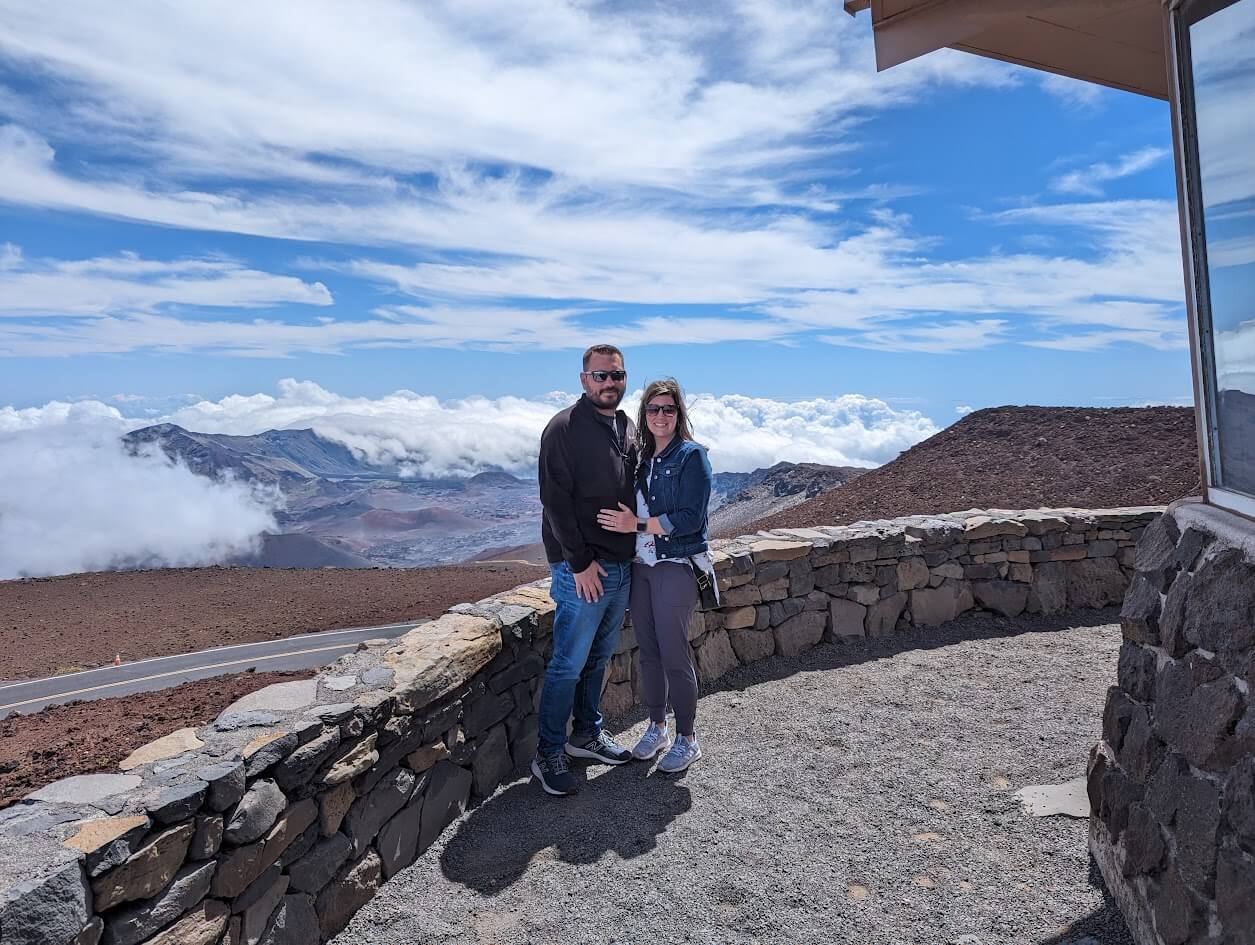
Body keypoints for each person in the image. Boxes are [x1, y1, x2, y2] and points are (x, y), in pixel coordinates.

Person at [533, 344, 639, 796]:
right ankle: (548, 753)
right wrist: (579, 564)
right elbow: (554, 501)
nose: (609, 383)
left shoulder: (626, 424)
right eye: (600, 376)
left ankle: (586, 736)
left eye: (616, 375)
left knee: (597, 659)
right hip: (585, 570)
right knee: (568, 663)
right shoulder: (563, 429)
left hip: (620, 564)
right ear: (583, 380)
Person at [597, 378, 714, 774]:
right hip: (641, 568)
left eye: (668, 409)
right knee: (649, 653)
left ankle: (687, 738)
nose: (660, 416)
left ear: (679, 414)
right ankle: (657, 727)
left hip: (676, 565)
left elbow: (690, 519)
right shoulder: (642, 460)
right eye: (653, 409)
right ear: (643, 415)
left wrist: (637, 525)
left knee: (673, 652)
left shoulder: (691, 457)